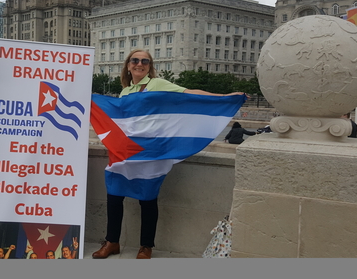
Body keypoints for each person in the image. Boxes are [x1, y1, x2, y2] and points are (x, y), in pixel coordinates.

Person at [92, 49, 246, 260]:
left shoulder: (158, 84)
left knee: (147, 198)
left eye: (144, 61)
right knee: (114, 195)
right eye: (135, 60)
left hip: (151, 152)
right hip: (126, 153)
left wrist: (223, 96)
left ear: (149, 65)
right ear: (128, 65)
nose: (139, 64)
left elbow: (188, 93)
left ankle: (146, 246)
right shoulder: (124, 92)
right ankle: (112, 242)